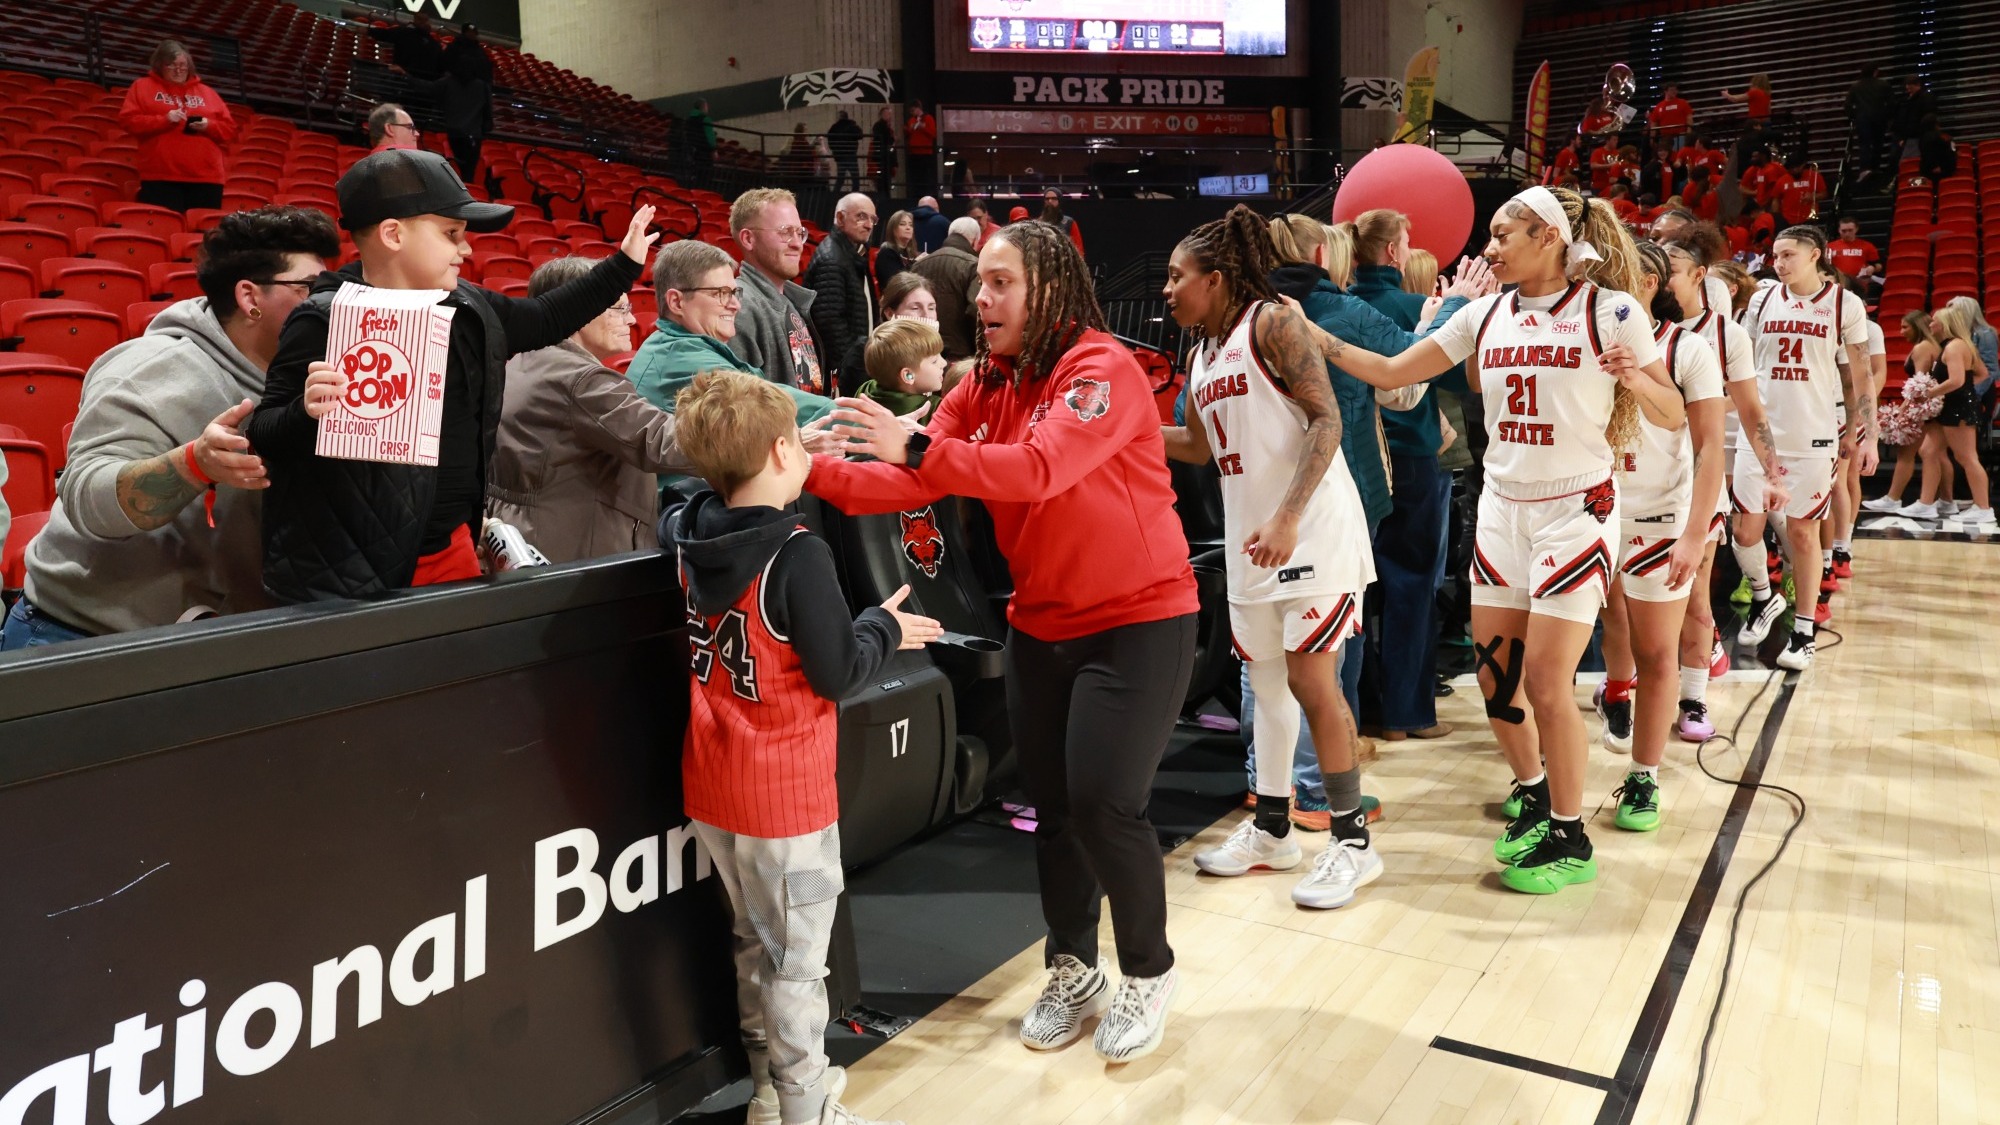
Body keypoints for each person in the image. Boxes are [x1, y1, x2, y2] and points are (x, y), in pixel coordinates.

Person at [810, 220, 1200, 1062]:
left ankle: (1148, 969)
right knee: (1054, 813)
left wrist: (915, 440)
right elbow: (904, 478)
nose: (979, 300)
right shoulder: (983, 384)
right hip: (1041, 623)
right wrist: (794, 467)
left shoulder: (1099, 370)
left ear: (1048, 288)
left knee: (1105, 804)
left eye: (999, 283)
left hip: (1139, 618)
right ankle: (1073, 967)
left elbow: (1038, 469)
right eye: (977, 285)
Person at [1311, 185, 1687, 894]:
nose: (1488, 248)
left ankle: (1572, 838)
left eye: (1502, 233)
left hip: (1576, 508)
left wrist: (1638, 377)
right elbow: (1397, 371)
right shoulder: (1483, 313)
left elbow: (1671, 414)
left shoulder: (1612, 311)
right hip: (1501, 508)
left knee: (1548, 679)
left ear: (1548, 236)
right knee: (1495, 680)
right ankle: (1536, 791)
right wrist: (1319, 338)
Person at [664, 368, 939, 1125]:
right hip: (782, 793)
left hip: (714, 781)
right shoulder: (797, 553)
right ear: (785, 449)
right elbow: (840, 669)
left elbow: (685, 505)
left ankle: (768, 1090)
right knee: (796, 965)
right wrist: (883, 624)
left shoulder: (689, 529)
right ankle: (805, 1103)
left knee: (755, 940)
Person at [244, 150, 656, 602]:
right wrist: (306, 412)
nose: (466, 248)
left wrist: (624, 265)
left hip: (451, 547)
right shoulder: (322, 319)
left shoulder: (471, 306)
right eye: (452, 234)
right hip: (348, 569)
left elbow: (544, 317)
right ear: (393, 234)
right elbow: (265, 433)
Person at [1160, 205, 1382, 908]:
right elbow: (1197, 446)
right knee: (1267, 687)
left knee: (1315, 681)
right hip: (1253, 537)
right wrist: (1124, 425)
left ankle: (1351, 843)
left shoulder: (1272, 323)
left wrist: (1288, 515)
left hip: (1311, 529)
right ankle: (1274, 829)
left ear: (1217, 279)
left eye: (1177, 277)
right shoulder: (1200, 353)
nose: (1167, 290)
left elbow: (1327, 416)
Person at [1, 208, 337, 650]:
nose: (327, 303)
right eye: (310, 288)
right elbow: (87, 497)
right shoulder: (148, 369)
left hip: (218, 642)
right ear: (249, 296)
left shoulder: (315, 381)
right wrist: (194, 464)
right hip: (85, 638)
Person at [1591, 240, 1725, 831]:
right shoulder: (1580, 335)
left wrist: (1696, 534)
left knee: (1657, 649)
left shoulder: (1689, 349)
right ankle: (1614, 700)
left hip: (1658, 518)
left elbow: (1711, 447)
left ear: (1647, 283)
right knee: (1605, 628)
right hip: (1590, 512)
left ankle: (1644, 778)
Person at [1731, 225, 1876, 671]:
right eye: (1776, 254)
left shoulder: (1844, 304)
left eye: (1790, 254)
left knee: (1801, 534)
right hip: (1760, 434)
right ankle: (1763, 597)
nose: (1780, 261)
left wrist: (1865, 432)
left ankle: (1804, 630)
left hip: (1812, 435)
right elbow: (1744, 365)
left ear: (1816, 255)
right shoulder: (1761, 299)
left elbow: (1860, 375)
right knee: (1744, 531)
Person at [486, 257, 692, 563]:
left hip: (532, 539)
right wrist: (759, 440)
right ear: (579, 305)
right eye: (618, 308)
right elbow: (663, 440)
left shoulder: (521, 360)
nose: (631, 320)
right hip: (578, 557)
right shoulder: (580, 381)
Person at [1660, 225, 1782, 742]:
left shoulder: (1725, 334)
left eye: (1670, 273)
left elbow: (1752, 408)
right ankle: (1630, 685)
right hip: (1635, 478)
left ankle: (1691, 700)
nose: (1660, 281)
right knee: (1625, 607)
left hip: (1697, 477)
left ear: (1698, 276)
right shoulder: (1628, 322)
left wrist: (1773, 471)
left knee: (1692, 598)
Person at [1346, 209, 1455, 743]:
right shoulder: (1418, 311)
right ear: (1392, 252)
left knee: (1358, 587)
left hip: (1350, 463)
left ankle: (1361, 709)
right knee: (1411, 586)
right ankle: (1406, 714)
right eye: (1407, 243)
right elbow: (1462, 381)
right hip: (1410, 461)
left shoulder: (1338, 307)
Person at [628, 239, 835, 430]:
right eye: (721, 293)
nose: (735, 305)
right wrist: (858, 419)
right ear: (677, 302)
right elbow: (767, 400)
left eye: (734, 293)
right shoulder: (681, 360)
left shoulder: (681, 346)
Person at [728, 188, 828, 398]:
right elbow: (739, 404)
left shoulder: (790, 302)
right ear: (748, 239)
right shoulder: (740, 307)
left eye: (800, 233)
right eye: (785, 232)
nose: (797, 244)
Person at [1899, 303, 1993, 523]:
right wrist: (1967, 393)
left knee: (1967, 457)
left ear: (1945, 324)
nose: (1930, 323)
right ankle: (1926, 504)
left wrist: (1930, 394)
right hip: (1954, 405)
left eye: (1934, 320)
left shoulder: (1953, 347)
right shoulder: (1957, 345)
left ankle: (1983, 508)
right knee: (1929, 450)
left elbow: (1957, 380)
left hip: (1958, 409)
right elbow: (1981, 374)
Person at [119, 40, 236, 213]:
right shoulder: (142, 86)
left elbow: (229, 130)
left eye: (183, 65)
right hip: (161, 175)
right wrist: (164, 120)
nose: (178, 70)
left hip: (206, 178)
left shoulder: (208, 93)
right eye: (171, 65)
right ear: (159, 65)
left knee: (202, 235)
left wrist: (208, 125)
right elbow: (128, 121)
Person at [1864, 312, 1944, 514]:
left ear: (1918, 326)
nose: (1900, 332)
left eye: (1905, 327)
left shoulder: (1922, 348)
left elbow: (1918, 385)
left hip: (1922, 409)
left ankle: (1894, 498)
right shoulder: (1934, 345)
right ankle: (1945, 499)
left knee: (1906, 455)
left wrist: (1902, 411)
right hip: (1931, 407)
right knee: (1936, 455)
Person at [803, 193, 880, 392]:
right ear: (840, 218)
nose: (869, 225)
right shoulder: (832, 259)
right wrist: (852, 368)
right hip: (844, 372)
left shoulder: (852, 253)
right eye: (861, 216)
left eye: (873, 219)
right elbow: (830, 324)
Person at [839, 271, 935, 397]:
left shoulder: (939, 356)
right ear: (890, 314)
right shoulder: (864, 354)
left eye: (931, 308)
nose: (927, 315)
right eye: (915, 308)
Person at [405, 51, 493, 181]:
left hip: (455, 133)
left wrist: (406, 77)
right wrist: (485, 128)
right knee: (469, 173)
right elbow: (487, 111)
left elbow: (428, 88)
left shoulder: (449, 82)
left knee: (457, 170)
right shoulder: (482, 86)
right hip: (474, 135)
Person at [909, 216, 982, 362]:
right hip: (961, 355)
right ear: (974, 241)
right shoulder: (973, 265)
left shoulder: (919, 264)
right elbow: (975, 309)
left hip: (923, 353)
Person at [856, 316, 946, 424]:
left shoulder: (865, 389)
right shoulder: (935, 408)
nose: (944, 363)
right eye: (934, 361)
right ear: (908, 375)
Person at [1947, 294, 2000, 401]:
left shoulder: (1985, 334)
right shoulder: (1955, 334)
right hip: (1961, 389)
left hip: (1978, 392)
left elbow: (1990, 371)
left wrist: (1971, 395)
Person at [1845, 66, 1892, 180]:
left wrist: (1854, 116)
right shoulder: (1883, 84)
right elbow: (1891, 102)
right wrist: (1887, 115)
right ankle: (1875, 168)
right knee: (1878, 144)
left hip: (1863, 119)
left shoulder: (1856, 86)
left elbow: (1847, 105)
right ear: (1875, 72)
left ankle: (1864, 169)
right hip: (1879, 119)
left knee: (1864, 145)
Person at [367, 13, 443, 80]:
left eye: (425, 20)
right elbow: (384, 33)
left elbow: (384, 33)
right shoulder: (404, 33)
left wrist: (368, 31)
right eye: (420, 19)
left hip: (409, 80)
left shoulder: (435, 45)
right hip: (409, 80)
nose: (423, 22)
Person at [1721, 74, 1773, 160]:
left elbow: (1736, 99)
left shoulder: (1754, 92)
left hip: (1755, 123)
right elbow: (1769, 110)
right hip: (1765, 122)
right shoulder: (1766, 94)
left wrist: (1727, 95)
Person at [1827, 217, 1881, 292]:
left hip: (1859, 284)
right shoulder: (1830, 247)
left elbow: (1879, 265)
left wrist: (1872, 268)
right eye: (1844, 231)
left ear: (1856, 229)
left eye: (1850, 230)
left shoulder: (1867, 246)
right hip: (1837, 284)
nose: (1847, 234)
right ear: (1839, 230)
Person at [874, 209, 921, 292]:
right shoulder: (887, 253)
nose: (908, 228)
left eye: (911, 225)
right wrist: (916, 263)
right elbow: (896, 283)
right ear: (893, 229)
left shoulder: (910, 253)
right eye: (902, 224)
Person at [1893, 76, 1939, 160]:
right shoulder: (1922, 98)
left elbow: (1912, 119)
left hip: (1916, 136)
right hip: (1916, 135)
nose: (1909, 91)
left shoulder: (1917, 99)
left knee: (1908, 161)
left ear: (1917, 85)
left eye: (1910, 88)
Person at [1775, 158, 1825, 226]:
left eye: (1796, 167)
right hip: (1787, 220)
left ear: (1802, 165)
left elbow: (1824, 194)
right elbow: (1776, 199)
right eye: (1791, 168)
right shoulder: (1781, 180)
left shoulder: (1814, 176)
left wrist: (1813, 197)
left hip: (1809, 219)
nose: (1794, 170)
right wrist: (1777, 217)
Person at [905, 100, 938, 199]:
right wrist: (908, 129)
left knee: (925, 177)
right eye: (910, 111)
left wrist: (923, 127)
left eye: (913, 110)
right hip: (914, 153)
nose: (912, 113)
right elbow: (908, 134)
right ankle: (915, 195)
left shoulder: (928, 118)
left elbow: (933, 134)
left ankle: (926, 196)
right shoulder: (911, 120)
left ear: (918, 108)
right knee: (916, 177)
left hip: (925, 153)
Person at [1648, 83, 1694, 151]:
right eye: (1672, 90)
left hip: (1680, 136)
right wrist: (1652, 138)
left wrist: (1689, 133)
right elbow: (1654, 124)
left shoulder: (1683, 103)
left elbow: (1689, 118)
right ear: (1666, 91)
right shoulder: (1659, 106)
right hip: (1665, 138)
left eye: (1675, 90)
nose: (1674, 92)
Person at [826, 110, 863, 194]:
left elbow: (830, 139)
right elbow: (860, 135)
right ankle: (854, 196)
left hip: (840, 156)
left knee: (840, 178)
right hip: (851, 155)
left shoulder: (834, 127)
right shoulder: (852, 125)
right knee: (855, 178)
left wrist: (835, 150)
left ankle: (834, 196)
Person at [1040, 189, 1085, 257]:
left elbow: (1079, 249)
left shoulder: (1069, 222)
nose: (1050, 201)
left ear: (1059, 201)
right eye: (1047, 199)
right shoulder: (1038, 223)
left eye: (1054, 198)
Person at [686, 98, 718, 182]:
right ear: (703, 107)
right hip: (704, 153)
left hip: (693, 152)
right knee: (706, 177)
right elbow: (709, 136)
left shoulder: (689, 120)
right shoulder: (705, 119)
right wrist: (713, 150)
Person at [869, 107, 897, 199]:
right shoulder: (880, 126)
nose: (889, 116)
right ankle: (884, 198)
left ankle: (886, 197)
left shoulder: (887, 127)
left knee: (886, 180)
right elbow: (883, 139)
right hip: (882, 157)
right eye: (887, 114)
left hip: (886, 157)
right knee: (882, 180)